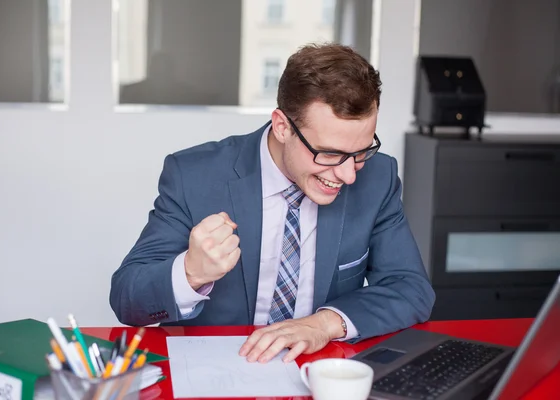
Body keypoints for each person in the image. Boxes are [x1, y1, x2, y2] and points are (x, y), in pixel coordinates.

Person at [110, 43, 435, 364]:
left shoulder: (378, 178)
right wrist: (191, 272)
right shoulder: (193, 176)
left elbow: (411, 289)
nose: (349, 175)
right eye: (331, 154)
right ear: (282, 126)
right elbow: (127, 299)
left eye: (362, 151)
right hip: (218, 374)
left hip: (318, 370)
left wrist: (323, 324)